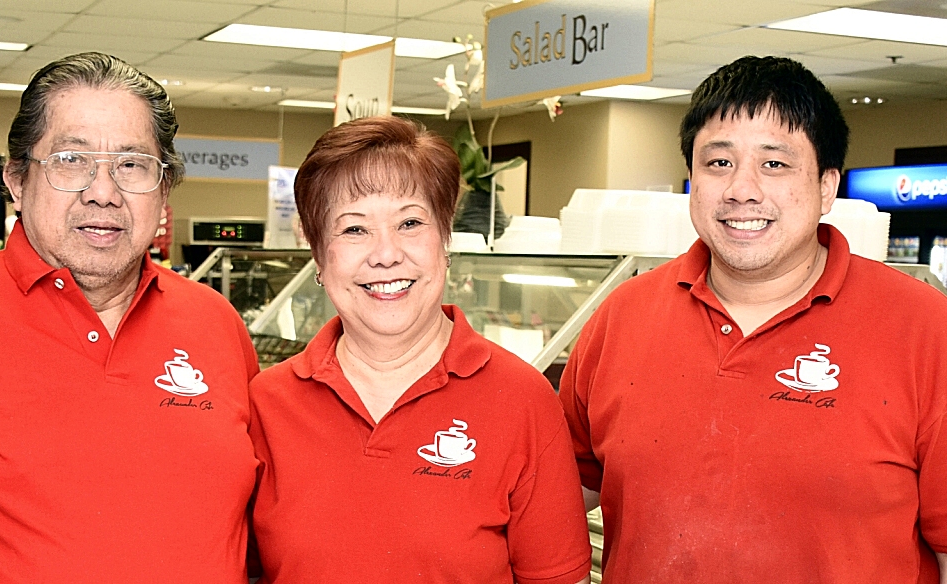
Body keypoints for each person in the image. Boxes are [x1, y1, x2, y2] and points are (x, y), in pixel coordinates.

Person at [560, 55, 947, 583]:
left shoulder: (926, 328)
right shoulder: (621, 315)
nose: (742, 189)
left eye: (774, 164)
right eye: (718, 163)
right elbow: (557, 492)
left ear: (828, 187)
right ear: (691, 181)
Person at [0, 52, 259, 582]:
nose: (103, 192)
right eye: (70, 160)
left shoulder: (216, 322)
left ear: (164, 188)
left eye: (132, 164)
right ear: (16, 179)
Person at [248, 115, 592, 583]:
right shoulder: (266, 403)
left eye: (410, 222)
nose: (386, 253)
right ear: (318, 257)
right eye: (353, 229)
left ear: (444, 241)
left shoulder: (522, 400)